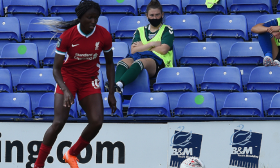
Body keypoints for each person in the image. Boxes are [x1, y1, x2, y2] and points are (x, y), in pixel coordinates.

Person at [34, 0, 116, 168]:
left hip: (89, 79)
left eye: (96, 18)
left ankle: (71, 154)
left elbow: (109, 64)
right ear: (81, 17)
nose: (93, 21)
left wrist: (112, 93)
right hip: (68, 78)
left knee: (97, 121)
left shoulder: (104, 35)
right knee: (59, 122)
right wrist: (65, 89)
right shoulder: (67, 36)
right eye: (90, 18)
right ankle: (38, 165)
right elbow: (56, 69)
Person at [110, 0, 174, 93]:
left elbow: (164, 49)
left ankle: (120, 84)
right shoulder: (140, 30)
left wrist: (143, 47)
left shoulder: (167, 29)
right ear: (147, 15)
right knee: (122, 62)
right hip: (138, 56)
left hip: (159, 61)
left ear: (162, 15)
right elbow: (133, 50)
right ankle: (116, 90)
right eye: (152, 15)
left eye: (157, 15)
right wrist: (151, 44)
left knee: (140, 62)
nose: (155, 18)